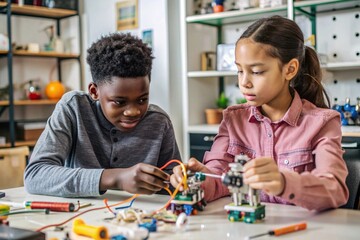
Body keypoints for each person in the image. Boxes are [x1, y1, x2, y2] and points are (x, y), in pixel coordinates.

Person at [170, 15, 348, 211]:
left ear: (290, 69)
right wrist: (197, 179)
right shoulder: (233, 119)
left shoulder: (323, 123)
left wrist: (283, 182)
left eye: (256, 71)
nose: (244, 82)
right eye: (239, 71)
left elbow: (335, 190)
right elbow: (218, 178)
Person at [24, 33, 181, 197]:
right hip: (79, 218)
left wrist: (181, 181)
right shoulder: (74, 109)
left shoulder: (159, 122)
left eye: (142, 99)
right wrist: (116, 178)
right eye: (119, 102)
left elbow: (171, 185)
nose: (133, 111)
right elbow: (35, 175)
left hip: (138, 219)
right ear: (94, 91)